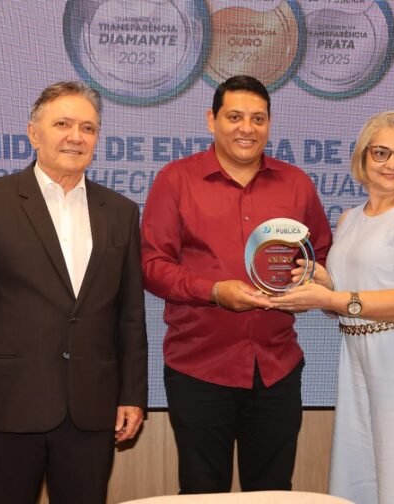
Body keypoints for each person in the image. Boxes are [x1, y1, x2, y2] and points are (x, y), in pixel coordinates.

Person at [0, 81, 148, 504]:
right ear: (34, 134)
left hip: (91, 412)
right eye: (63, 124)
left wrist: (132, 395)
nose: (76, 137)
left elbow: (129, 315)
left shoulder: (121, 212)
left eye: (88, 128)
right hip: (6, 410)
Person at [141, 75, 332, 494]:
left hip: (277, 367)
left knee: (273, 493)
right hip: (200, 367)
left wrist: (309, 286)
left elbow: (319, 255)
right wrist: (214, 292)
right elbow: (152, 266)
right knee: (202, 493)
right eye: (234, 117)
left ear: (269, 124)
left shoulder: (296, 183)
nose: (247, 128)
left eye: (258, 119)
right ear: (211, 120)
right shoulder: (176, 180)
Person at [270, 111, 394, 504]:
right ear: (363, 157)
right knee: (365, 478)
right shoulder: (350, 219)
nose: (392, 164)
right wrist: (324, 284)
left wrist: (331, 298)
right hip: (359, 363)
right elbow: (351, 301)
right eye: (381, 153)